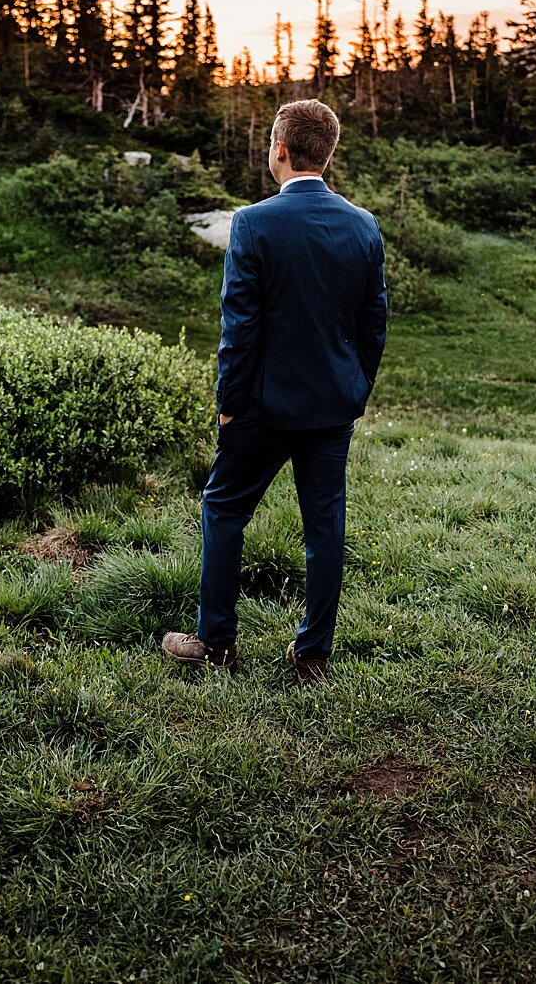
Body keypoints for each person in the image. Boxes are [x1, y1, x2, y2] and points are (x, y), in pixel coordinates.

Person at [163, 98, 389, 685]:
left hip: (260, 407)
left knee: (223, 509)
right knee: (325, 526)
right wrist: (354, 391)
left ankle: (215, 642)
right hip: (331, 408)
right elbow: (374, 325)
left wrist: (229, 404)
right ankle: (312, 654)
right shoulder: (363, 226)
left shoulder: (255, 222)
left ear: (281, 150)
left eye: (270, 142)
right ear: (328, 152)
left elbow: (239, 328)